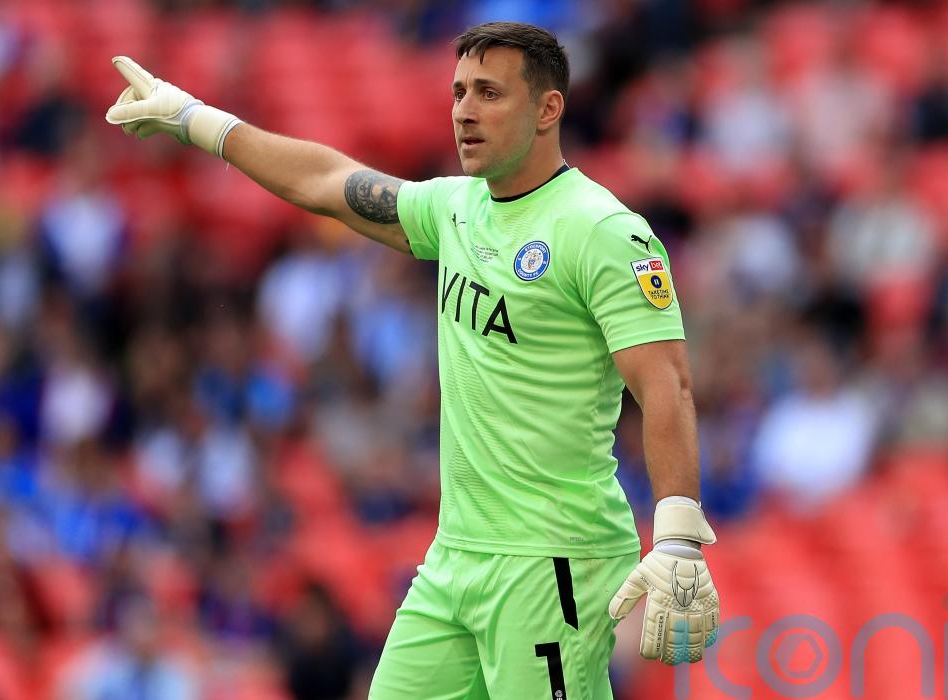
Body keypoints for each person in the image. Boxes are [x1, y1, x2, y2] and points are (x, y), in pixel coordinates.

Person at [105, 21, 719, 699]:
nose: (465, 111)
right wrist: (194, 118)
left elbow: (666, 384)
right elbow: (327, 181)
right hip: (456, 557)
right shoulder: (456, 209)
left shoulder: (601, 230)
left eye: (490, 93)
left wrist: (677, 538)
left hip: (553, 561)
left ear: (548, 109)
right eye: (459, 92)